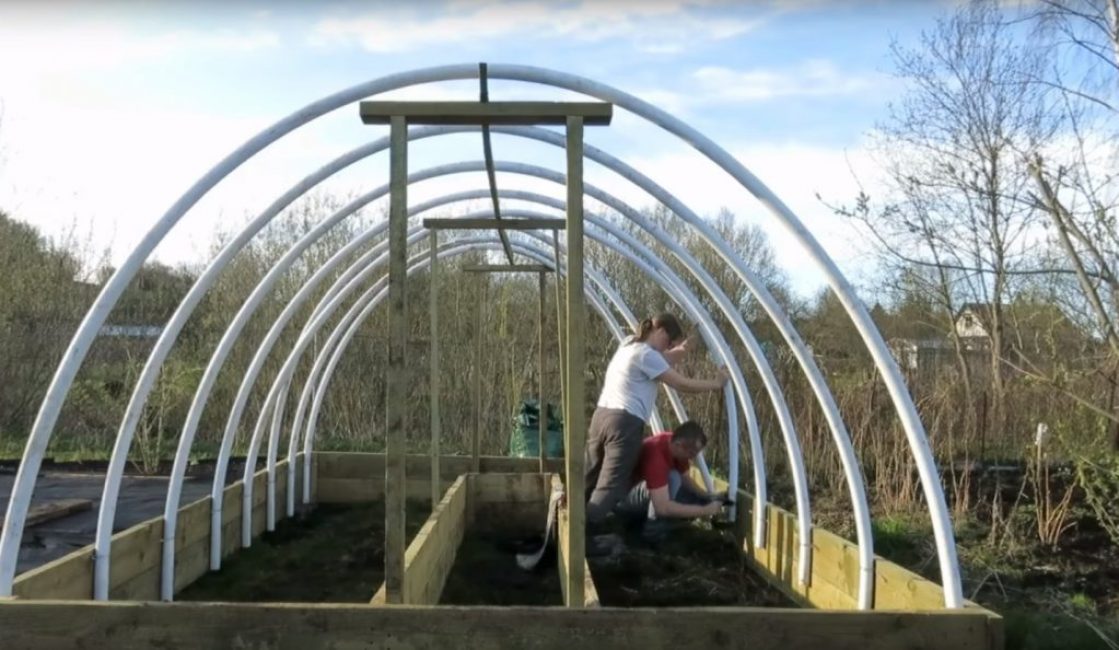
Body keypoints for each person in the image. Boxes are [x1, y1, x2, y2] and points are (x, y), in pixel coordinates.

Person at [584, 312, 729, 532]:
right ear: (660, 331)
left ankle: (568, 519)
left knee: (589, 475)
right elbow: (681, 384)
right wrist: (716, 384)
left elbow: (665, 359)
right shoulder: (647, 355)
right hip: (624, 424)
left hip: (601, 416)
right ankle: (587, 534)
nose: (667, 348)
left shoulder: (629, 344)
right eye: (668, 342)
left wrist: (684, 348)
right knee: (610, 485)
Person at [620, 421, 724, 541]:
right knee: (672, 479)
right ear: (679, 445)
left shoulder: (674, 442)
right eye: (691, 453)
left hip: (643, 494)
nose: (693, 458)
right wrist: (705, 510)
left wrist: (707, 496)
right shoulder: (656, 457)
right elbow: (662, 508)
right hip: (624, 499)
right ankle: (652, 532)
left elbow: (686, 479)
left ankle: (654, 521)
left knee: (675, 478)